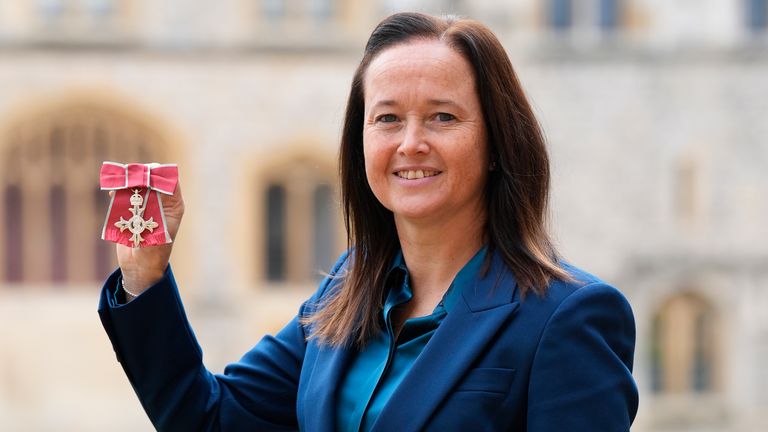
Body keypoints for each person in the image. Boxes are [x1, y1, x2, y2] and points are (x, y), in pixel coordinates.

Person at [98, 12, 638, 432]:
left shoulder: (569, 317)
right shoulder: (347, 290)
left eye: (442, 117)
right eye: (387, 119)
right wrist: (144, 274)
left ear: (497, 143)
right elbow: (209, 419)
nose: (411, 144)